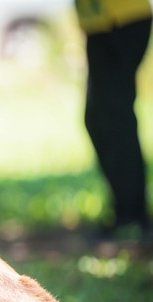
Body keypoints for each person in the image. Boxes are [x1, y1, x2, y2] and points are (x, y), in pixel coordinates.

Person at [75, 0, 152, 238]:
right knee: (97, 119)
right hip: (98, 24)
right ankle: (125, 209)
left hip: (123, 19)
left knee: (116, 118)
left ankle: (133, 214)